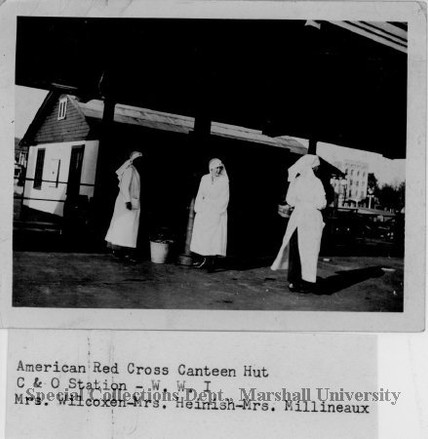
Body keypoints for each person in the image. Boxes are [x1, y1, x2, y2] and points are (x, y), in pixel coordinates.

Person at [271, 154, 326, 293]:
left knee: (295, 250)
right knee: (309, 250)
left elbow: (290, 200)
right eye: (316, 166)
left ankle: (293, 281)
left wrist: (300, 204)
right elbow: (322, 203)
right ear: (313, 167)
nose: (317, 169)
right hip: (311, 218)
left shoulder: (296, 181)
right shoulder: (317, 182)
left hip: (298, 218)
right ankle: (306, 281)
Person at [190, 158, 229, 271]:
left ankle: (212, 262)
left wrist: (217, 211)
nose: (218, 170)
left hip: (217, 212)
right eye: (216, 168)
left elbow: (225, 198)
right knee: (204, 236)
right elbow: (200, 193)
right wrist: (199, 208)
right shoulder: (205, 178)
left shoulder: (224, 181)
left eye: (219, 168)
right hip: (205, 210)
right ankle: (204, 259)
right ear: (211, 168)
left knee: (214, 238)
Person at [105, 151, 143, 262]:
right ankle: (125, 252)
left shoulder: (135, 171)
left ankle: (122, 251)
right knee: (126, 227)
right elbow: (124, 187)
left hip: (131, 202)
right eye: (138, 159)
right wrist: (127, 201)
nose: (140, 162)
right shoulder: (129, 170)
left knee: (127, 227)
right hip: (126, 204)